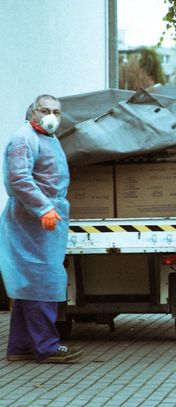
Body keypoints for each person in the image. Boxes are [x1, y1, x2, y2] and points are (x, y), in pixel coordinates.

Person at [0, 94, 83, 363]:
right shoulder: (25, 139)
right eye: (45, 110)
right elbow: (19, 179)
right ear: (32, 111)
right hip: (32, 219)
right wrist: (44, 208)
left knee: (28, 285)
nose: (52, 117)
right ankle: (46, 347)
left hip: (43, 216)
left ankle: (20, 347)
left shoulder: (46, 138)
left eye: (57, 112)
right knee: (41, 282)